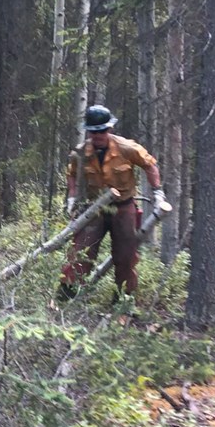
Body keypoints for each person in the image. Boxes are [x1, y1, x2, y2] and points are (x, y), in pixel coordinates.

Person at [59, 105, 166, 301]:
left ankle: (123, 301)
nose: (98, 136)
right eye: (94, 132)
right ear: (89, 131)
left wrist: (158, 192)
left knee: (125, 257)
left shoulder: (127, 148)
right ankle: (66, 297)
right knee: (80, 252)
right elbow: (71, 174)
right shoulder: (81, 153)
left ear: (109, 129)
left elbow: (150, 166)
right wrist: (72, 198)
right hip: (95, 209)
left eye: (102, 131)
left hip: (123, 208)